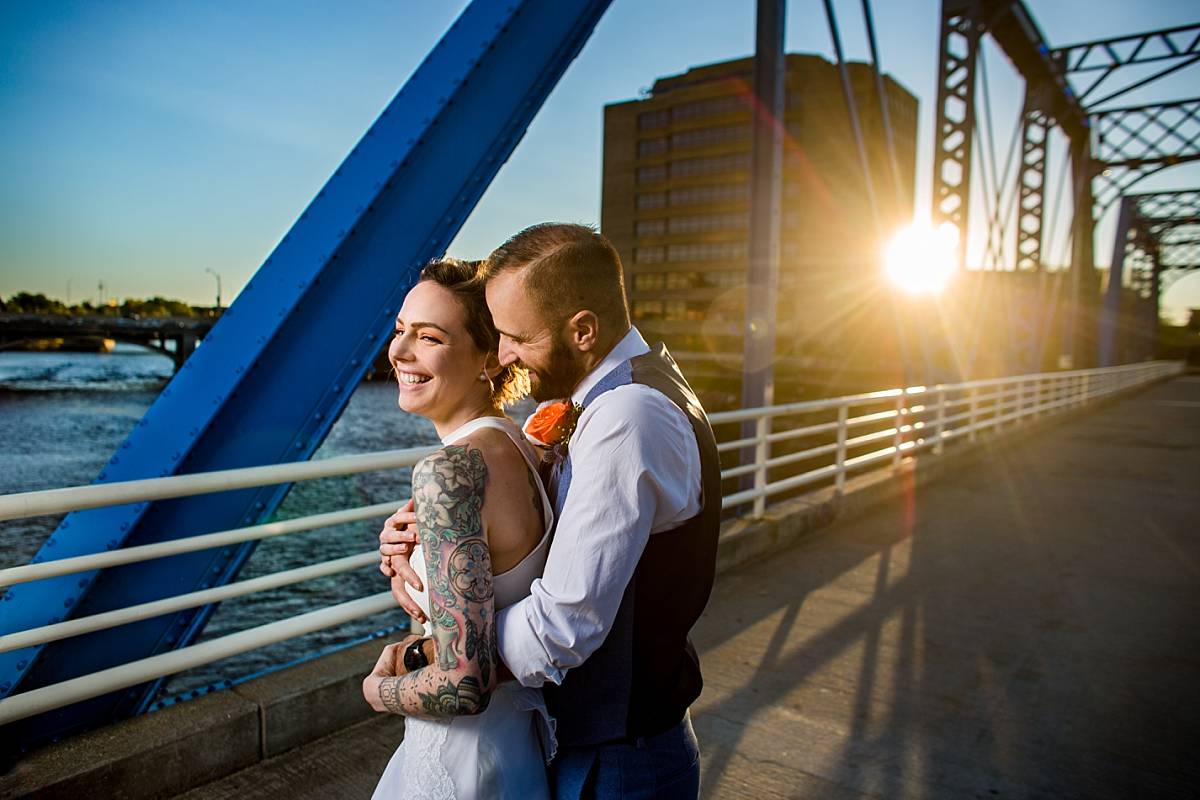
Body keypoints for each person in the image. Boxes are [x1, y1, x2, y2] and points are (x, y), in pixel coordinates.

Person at [382, 224, 723, 799]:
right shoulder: (607, 402)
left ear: (583, 330)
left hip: (618, 761)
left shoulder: (626, 417)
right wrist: (428, 540)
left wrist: (431, 652)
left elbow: (561, 628)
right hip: (590, 742)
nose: (506, 353)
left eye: (515, 337)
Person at [362, 258, 556, 799]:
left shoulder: (451, 473)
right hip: (512, 750)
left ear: (489, 358)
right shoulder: (520, 446)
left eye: (429, 338)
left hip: (460, 761)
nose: (399, 352)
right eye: (400, 331)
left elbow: (463, 682)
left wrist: (377, 690)